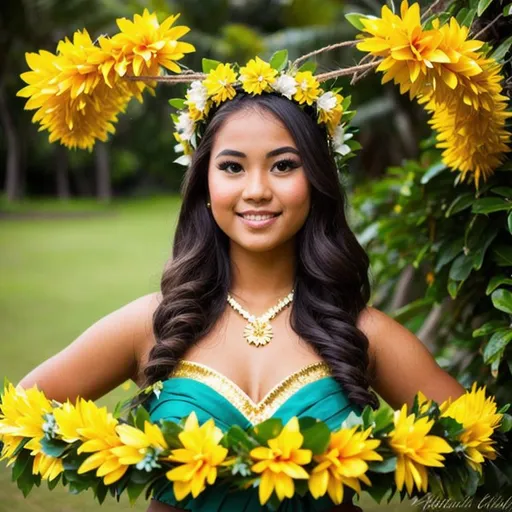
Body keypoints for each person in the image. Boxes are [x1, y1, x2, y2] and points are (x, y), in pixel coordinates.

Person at [17, 91, 466, 511]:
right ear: (204, 184)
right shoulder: (154, 323)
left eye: (284, 165)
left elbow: (478, 437)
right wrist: (121, 455)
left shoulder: (363, 332)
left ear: (316, 180)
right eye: (232, 167)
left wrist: (382, 459)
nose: (256, 190)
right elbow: (23, 413)